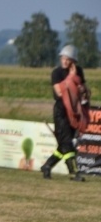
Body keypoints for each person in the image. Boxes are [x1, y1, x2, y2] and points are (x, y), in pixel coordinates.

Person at [41, 44, 89, 181]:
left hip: (73, 111)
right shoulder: (56, 73)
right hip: (61, 111)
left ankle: (47, 166)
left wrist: (80, 87)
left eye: (68, 59)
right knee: (67, 142)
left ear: (73, 61)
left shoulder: (79, 71)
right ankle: (74, 172)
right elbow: (60, 92)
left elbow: (83, 88)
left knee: (64, 144)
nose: (64, 61)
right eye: (63, 58)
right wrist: (71, 78)